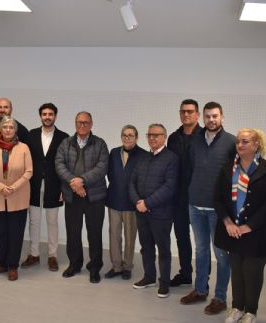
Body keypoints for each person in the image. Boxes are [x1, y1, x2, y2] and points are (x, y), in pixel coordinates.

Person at [214, 129, 266, 323]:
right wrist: (227, 223)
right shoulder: (228, 168)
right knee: (237, 270)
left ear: (256, 144)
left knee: (252, 272)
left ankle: (251, 311)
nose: (240, 145)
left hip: (258, 232)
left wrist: (249, 226)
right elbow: (218, 199)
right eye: (238, 142)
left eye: (245, 142)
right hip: (233, 231)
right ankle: (236, 308)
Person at [181, 101, 236, 315]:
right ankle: (200, 290)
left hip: (218, 210)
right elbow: (190, 170)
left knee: (222, 254)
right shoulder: (194, 141)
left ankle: (220, 297)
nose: (211, 120)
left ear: (222, 117)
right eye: (207, 116)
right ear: (202, 118)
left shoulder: (232, 142)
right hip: (195, 205)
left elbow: (234, 176)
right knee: (201, 251)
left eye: (215, 116)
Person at [55, 111, 109, 284]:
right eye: (79, 122)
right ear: (75, 123)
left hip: (94, 197)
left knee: (94, 234)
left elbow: (102, 168)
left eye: (86, 122)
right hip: (72, 196)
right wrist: (74, 183)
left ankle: (94, 268)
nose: (82, 125)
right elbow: (59, 164)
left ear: (91, 124)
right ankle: (74, 264)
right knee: (73, 233)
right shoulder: (66, 143)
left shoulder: (100, 144)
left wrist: (82, 181)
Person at [129, 124, 179, 299]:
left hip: (161, 214)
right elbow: (131, 182)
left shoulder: (171, 158)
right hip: (141, 212)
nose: (152, 138)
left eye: (156, 135)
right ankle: (149, 277)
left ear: (164, 137)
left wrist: (147, 203)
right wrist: (137, 201)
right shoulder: (143, 158)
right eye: (149, 135)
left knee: (163, 250)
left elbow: (169, 187)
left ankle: (164, 283)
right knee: (146, 247)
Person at [0, 116, 33, 281]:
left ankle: (12, 266)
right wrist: (0, 187)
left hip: (18, 197)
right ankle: (1, 264)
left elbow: (29, 172)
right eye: (5, 127)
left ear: (15, 130)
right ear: (1, 130)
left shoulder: (24, 148)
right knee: (1, 234)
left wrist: (13, 187)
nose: (8, 130)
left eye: (11, 127)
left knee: (15, 234)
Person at [21, 103, 69, 272]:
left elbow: (67, 164)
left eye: (50, 114)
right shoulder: (31, 135)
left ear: (55, 116)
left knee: (52, 222)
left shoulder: (64, 137)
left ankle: (52, 255)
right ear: (40, 116)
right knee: (34, 221)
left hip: (54, 186)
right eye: (44, 114)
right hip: (33, 184)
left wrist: (65, 188)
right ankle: (33, 254)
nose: (47, 116)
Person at [104, 124, 148, 281]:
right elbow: (110, 174)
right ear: (121, 137)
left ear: (136, 137)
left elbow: (143, 179)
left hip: (132, 203)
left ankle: (127, 266)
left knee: (130, 236)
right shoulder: (114, 152)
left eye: (130, 135)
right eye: (124, 135)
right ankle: (116, 266)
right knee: (114, 235)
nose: (127, 138)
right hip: (114, 200)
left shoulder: (143, 155)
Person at [167, 98, 201, 287]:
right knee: (182, 238)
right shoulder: (173, 138)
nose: (186, 114)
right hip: (178, 199)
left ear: (197, 114)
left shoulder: (205, 136)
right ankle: (186, 273)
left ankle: (202, 279)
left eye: (190, 111)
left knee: (202, 242)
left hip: (199, 199)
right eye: (183, 111)